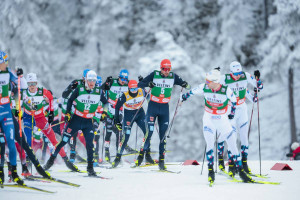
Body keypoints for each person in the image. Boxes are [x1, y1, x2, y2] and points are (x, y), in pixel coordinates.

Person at [181, 68, 254, 184]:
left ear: (216, 82)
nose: (206, 83)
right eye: (206, 80)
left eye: (208, 81)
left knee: (233, 144)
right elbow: (191, 92)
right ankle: (210, 172)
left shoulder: (226, 90)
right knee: (210, 144)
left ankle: (241, 171)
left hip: (221, 119)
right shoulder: (204, 87)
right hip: (209, 119)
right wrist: (183, 98)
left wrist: (232, 113)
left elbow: (234, 101)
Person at [44, 70, 107, 176]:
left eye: (94, 81)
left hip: (88, 122)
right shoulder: (79, 89)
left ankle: (90, 168)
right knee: (64, 141)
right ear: (85, 80)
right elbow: (68, 99)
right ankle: (50, 162)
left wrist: (104, 113)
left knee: (90, 145)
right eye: (90, 80)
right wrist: (68, 113)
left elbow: (106, 102)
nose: (92, 83)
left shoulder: (98, 91)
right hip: (76, 119)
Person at [137, 59, 190, 170]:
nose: (166, 71)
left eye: (168, 69)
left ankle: (161, 161)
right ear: (160, 68)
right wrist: (148, 84)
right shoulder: (154, 74)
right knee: (149, 132)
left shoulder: (173, 76)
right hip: (153, 106)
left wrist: (185, 84)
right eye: (164, 69)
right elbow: (140, 84)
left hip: (164, 108)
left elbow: (187, 86)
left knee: (163, 135)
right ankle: (141, 156)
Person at [21, 72, 79, 172]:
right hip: (28, 118)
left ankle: (67, 161)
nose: (32, 86)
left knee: (53, 139)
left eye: (34, 83)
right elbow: (14, 100)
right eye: (30, 84)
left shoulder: (41, 91)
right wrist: (16, 111)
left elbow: (51, 98)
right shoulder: (23, 93)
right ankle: (27, 164)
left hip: (40, 118)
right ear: (27, 84)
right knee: (28, 138)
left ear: (36, 83)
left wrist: (51, 112)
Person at [218, 61, 263, 174]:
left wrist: (257, 81)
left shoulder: (245, 76)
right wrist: (214, 74)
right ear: (231, 72)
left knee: (244, 137)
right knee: (232, 137)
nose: (237, 76)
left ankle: (244, 164)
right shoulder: (225, 78)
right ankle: (232, 166)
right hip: (230, 110)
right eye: (235, 74)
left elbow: (259, 86)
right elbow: (211, 85)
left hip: (242, 109)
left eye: (239, 73)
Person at [0, 50, 26, 185]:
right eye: (4, 62)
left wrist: (20, 76)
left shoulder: (8, 73)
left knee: (11, 142)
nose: (6, 64)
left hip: (6, 112)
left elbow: (22, 87)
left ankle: (14, 173)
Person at [101, 69, 136, 162]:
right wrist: (106, 83)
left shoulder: (128, 84)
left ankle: (118, 154)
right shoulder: (113, 82)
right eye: (122, 78)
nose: (123, 80)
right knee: (108, 132)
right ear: (119, 77)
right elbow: (101, 89)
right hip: (109, 109)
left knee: (119, 132)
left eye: (125, 79)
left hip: (119, 111)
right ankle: (106, 152)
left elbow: (134, 93)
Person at [111, 80, 148, 168]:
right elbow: (116, 107)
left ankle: (142, 156)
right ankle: (117, 158)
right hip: (128, 116)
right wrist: (116, 121)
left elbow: (150, 97)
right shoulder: (125, 95)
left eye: (135, 88)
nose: (134, 91)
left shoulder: (141, 91)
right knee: (126, 136)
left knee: (147, 132)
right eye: (132, 89)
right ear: (129, 89)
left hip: (140, 114)